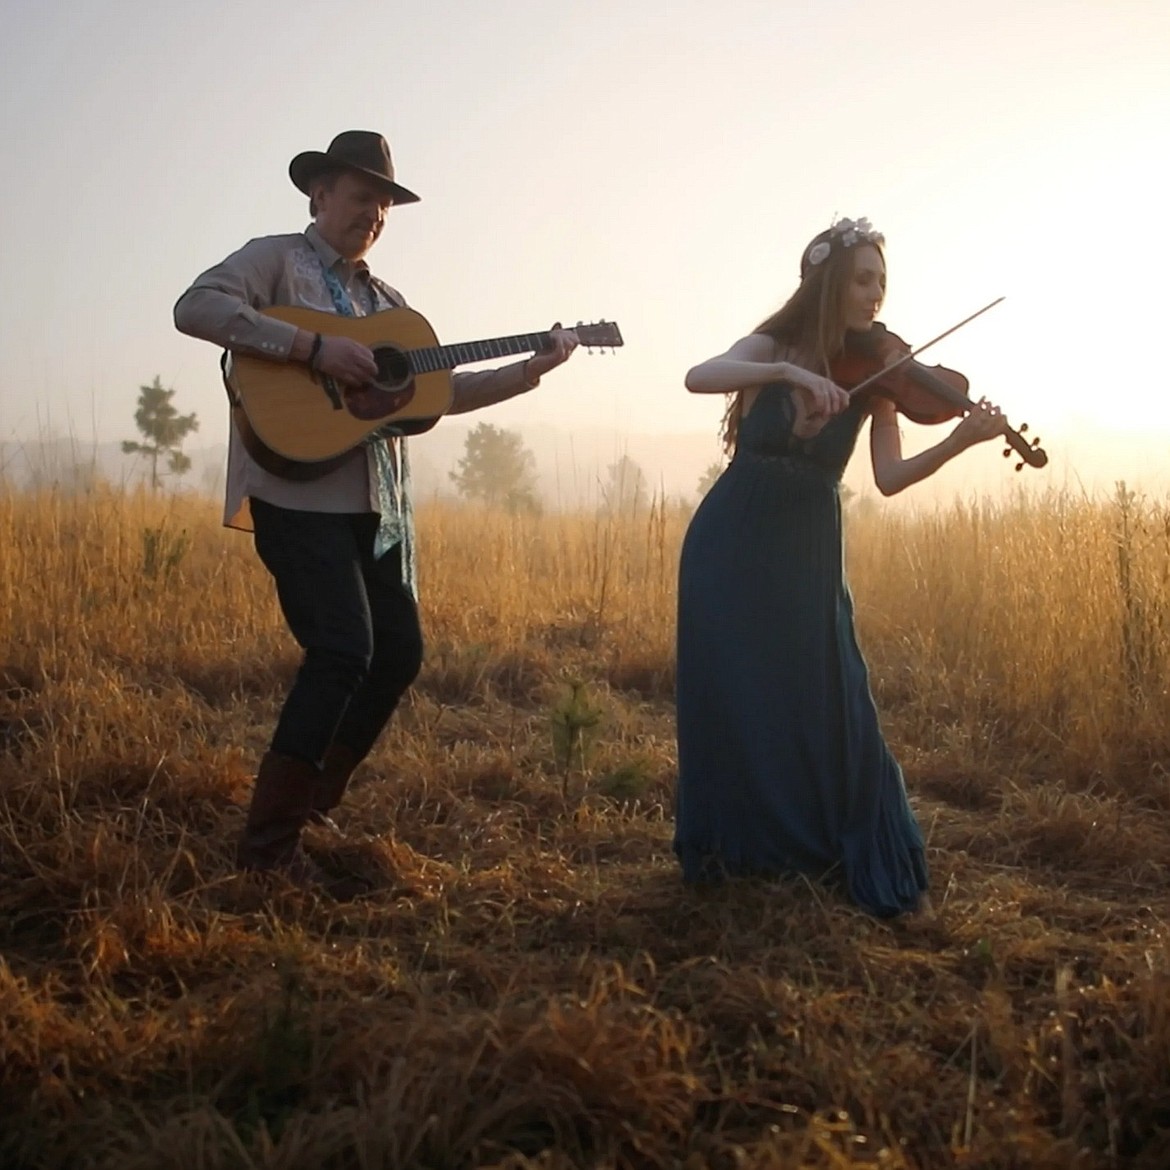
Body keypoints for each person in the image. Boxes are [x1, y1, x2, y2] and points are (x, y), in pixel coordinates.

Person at [174, 130, 578, 887]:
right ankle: (266, 853)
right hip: (296, 492)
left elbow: (440, 392)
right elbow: (196, 307)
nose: (375, 213)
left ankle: (312, 810)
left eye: (385, 203)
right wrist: (311, 349)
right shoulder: (274, 260)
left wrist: (529, 370)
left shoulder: (387, 306)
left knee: (397, 653)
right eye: (363, 196)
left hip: (373, 505)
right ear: (319, 195)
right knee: (340, 651)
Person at [673, 216, 1007, 917]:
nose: (876, 294)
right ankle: (743, 854)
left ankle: (833, 850)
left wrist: (963, 442)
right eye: (863, 279)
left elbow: (889, 476)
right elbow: (700, 375)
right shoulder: (775, 346)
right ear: (829, 280)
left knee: (831, 693)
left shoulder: (880, 370)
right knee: (737, 693)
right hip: (732, 539)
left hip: (805, 549)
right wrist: (788, 371)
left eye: (882, 281)